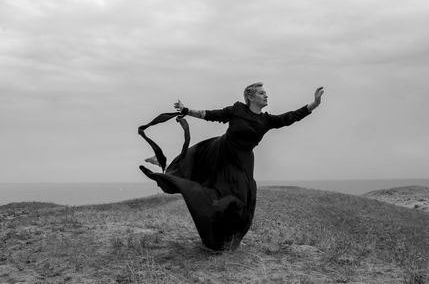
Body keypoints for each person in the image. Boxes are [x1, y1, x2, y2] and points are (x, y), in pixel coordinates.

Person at [139, 83, 324, 251]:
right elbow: (210, 115)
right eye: (261, 93)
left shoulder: (266, 120)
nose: (266, 95)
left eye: (265, 93)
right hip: (221, 153)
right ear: (250, 97)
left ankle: (228, 240)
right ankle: (218, 239)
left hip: (243, 161)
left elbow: (290, 117)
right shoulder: (237, 110)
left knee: (243, 200)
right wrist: (186, 110)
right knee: (206, 180)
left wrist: (314, 104)